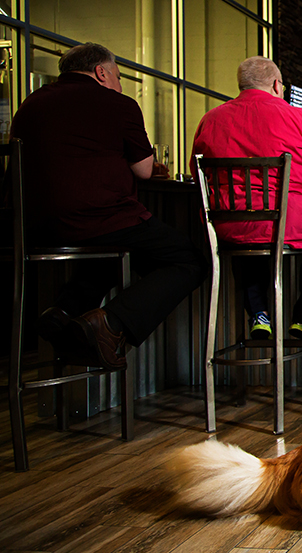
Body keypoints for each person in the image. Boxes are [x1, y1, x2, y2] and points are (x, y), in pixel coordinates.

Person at [9, 42, 206, 370]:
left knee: (111, 252)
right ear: (101, 72)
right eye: (117, 76)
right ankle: (109, 324)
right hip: (97, 216)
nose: (118, 83)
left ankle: (64, 312)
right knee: (189, 260)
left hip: (30, 226)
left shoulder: (30, 104)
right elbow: (144, 170)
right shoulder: (118, 104)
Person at [192, 56, 302, 342]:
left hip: (227, 228)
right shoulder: (297, 117)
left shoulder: (211, 120)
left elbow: (196, 172)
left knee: (246, 229)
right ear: (277, 85)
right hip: (293, 223)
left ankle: (259, 314)